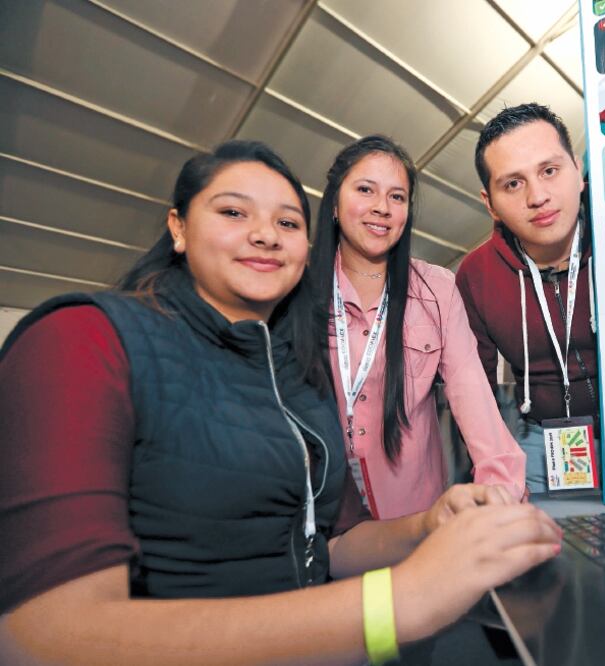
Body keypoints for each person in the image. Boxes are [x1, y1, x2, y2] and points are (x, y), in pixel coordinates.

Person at [0, 140, 560, 665]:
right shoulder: (83, 340)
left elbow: (330, 541)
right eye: (233, 212)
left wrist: (429, 525)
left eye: (286, 222)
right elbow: (38, 636)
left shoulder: (287, 377)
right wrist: (398, 601)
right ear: (178, 226)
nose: (265, 235)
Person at [308, 135, 527, 520]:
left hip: (414, 519)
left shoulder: (436, 290)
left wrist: (501, 496)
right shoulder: (299, 291)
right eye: (365, 190)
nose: (382, 207)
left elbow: (473, 397)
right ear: (335, 204)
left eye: (397, 196)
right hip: (321, 513)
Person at [456, 103, 600, 494]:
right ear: (490, 203)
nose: (538, 196)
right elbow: (477, 390)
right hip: (543, 439)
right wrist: (492, 470)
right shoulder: (476, 274)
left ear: (578, 171)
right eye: (513, 184)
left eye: (549, 171)